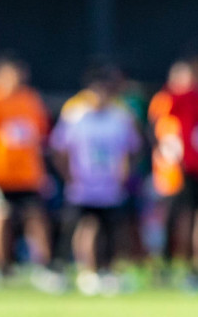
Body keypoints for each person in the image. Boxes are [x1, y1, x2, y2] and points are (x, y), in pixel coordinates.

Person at [49, 64, 141, 295]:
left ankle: (106, 271)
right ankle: (81, 270)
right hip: (82, 185)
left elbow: (133, 148)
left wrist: (124, 174)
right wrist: (69, 176)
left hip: (110, 185)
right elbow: (59, 149)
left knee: (110, 230)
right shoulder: (75, 115)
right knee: (78, 227)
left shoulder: (121, 116)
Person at [0, 53, 52, 279]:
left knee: (36, 217)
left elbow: (37, 138)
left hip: (27, 174)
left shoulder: (30, 99)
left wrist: (41, 173)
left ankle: (44, 265)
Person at [148, 60, 198, 287]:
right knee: (190, 219)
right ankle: (194, 267)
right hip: (188, 169)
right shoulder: (196, 98)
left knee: (197, 219)